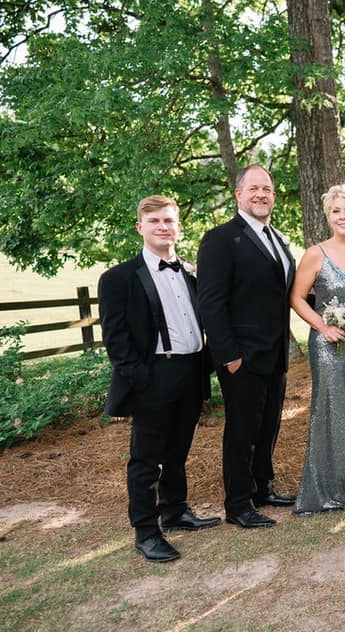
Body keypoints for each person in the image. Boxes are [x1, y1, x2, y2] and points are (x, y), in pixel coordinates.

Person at [99, 195, 221, 562]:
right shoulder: (118, 278)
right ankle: (146, 532)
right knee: (146, 460)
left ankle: (175, 511)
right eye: (154, 221)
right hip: (153, 376)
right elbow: (116, 340)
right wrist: (142, 378)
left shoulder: (192, 274)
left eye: (168, 221)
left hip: (191, 372)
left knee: (178, 452)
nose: (162, 227)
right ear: (140, 227)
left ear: (178, 228)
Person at [198, 165, 296, 529]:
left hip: (275, 353)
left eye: (266, 189)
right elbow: (211, 303)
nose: (261, 194)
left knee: (268, 425)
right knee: (241, 432)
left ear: (274, 196)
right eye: (253, 188)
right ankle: (238, 503)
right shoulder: (221, 239)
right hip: (242, 355)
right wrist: (229, 355)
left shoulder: (278, 239)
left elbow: (284, 292)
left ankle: (262, 488)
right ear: (238, 194)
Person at [290, 184, 345, 514]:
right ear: (328, 216)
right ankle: (332, 487)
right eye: (336, 211)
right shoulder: (316, 254)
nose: (343, 216)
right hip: (329, 346)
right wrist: (322, 326)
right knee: (335, 411)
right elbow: (297, 297)